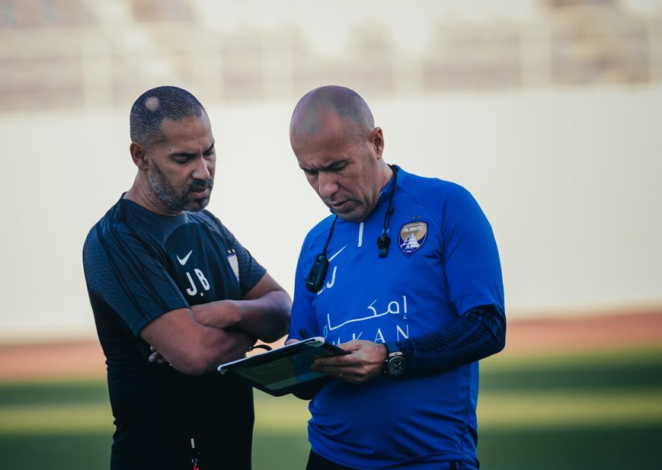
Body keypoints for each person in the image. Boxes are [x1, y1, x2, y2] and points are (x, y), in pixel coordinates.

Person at [286, 85, 506, 470]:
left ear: (376, 142)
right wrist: (290, 363)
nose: (326, 188)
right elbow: (305, 373)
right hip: (328, 457)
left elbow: (487, 327)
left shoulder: (446, 205)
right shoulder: (314, 242)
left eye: (338, 167)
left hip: (430, 458)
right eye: (311, 172)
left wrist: (391, 358)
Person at [82, 86, 291, 470]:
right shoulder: (117, 240)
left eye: (208, 151)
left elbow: (281, 310)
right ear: (140, 157)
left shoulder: (206, 224)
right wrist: (250, 329)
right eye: (183, 158)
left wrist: (222, 313)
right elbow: (195, 355)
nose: (203, 170)